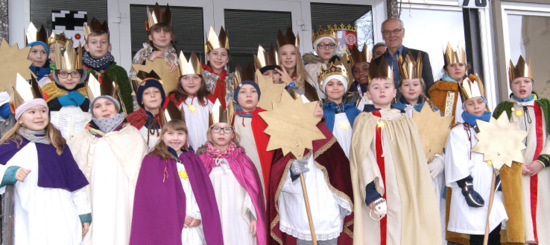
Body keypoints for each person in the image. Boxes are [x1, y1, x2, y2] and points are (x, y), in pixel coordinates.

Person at [349, 59, 441, 245]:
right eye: (376, 87)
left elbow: (415, 156)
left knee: (402, 228)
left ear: (394, 93)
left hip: (403, 189)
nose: (382, 91)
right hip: (378, 190)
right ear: (367, 93)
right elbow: (362, 156)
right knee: (376, 233)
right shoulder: (364, 121)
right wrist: (371, 191)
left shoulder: (405, 121)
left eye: (386, 86)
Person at [0, 98, 91, 245]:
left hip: (62, 211)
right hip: (29, 213)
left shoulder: (58, 144)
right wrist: (9, 173)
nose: (39, 115)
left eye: (43, 111)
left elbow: (75, 181)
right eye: (32, 112)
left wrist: (83, 213)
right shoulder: (12, 145)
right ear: (20, 119)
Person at [268, 98, 354, 245]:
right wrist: (293, 172)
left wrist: (342, 203)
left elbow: (341, 172)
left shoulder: (328, 138)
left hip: (327, 210)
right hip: (300, 209)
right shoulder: (289, 138)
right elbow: (278, 177)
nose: (319, 109)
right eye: (312, 106)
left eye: (320, 105)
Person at [69, 95, 148, 245]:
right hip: (95, 195)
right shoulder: (82, 138)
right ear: (92, 112)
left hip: (125, 195)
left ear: (117, 108)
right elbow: (74, 171)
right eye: (98, 106)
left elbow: (142, 171)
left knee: (125, 229)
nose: (104, 109)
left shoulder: (133, 135)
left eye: (108, 104)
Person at [130, 120, 223, 245]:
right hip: (168, 226)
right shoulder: (153, 161)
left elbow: (203, 194)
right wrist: (178, 215)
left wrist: (199, 217)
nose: (175, 138)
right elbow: (151, 199)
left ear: (186, 136)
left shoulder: (193, 160)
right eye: (170, 133)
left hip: (194, 226)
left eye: (180, 133)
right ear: (162, 135)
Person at [493, 56, 550, 244]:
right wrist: (517, 164)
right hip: (516, 172)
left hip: (542, 173)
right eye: (517, 82)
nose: (522, 85)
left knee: (544, 215)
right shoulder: (504, 108)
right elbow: (496, 140)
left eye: (526, 81)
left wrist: (542, 162)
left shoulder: (545, 107)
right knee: (521, 217)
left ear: (532, 84)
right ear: (511, 86)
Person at [392, 52, 446, 243]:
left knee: (432, 214)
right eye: (406, 84)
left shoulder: (434, 110)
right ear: (399, 88)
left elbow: (443, 140)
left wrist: (441, 160)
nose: (411, 88)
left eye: (415, 84)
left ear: (422, 86)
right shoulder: (393, 112)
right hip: (405, 172)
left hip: (431, 171)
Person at [445, 80, 507, 245]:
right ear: (464, 107)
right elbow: (457, 163)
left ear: (485, 103)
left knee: (494, 232)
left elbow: (504, 154)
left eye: (480, 102)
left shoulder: (496, 128)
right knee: (478, 235)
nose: (476, 106)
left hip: (493, 188)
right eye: (471, 103)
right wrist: (467, 189)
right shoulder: (458, 133)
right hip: (474, 188)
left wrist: (501, 177)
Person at [197, 107, 267, 245]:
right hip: (213, 217)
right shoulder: (201, 161)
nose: (221, 132)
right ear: (210, 133)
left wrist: (253, 217)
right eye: (216, 129)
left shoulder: (242, 160)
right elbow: (196, 192)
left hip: (240, 218)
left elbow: (253, 192)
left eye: (226, 129)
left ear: (233, 134)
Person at [41, 39, 91, 140]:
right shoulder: (48, 89)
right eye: (64, 73)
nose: (69, 78)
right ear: (57, 75)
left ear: (81, 75)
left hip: (84, 141)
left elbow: (99, 113)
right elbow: (39, 113)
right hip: (55, 140)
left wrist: (85, 102)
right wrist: (56, 103)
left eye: (74, 73)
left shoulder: (89, 90)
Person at [163, 51, 212, 151]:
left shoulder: (210, 100)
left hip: (209, 151)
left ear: (202, 80)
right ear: (179, 81)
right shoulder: (173, 101)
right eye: (186, 78)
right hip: (182, 151)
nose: (191, 82)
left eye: (195, 77)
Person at [83, 18, 134, 114]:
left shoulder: (118, 72)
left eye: (103, 42)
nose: (99, 45)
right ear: (87, 47)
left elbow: (127, 103)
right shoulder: (81, 73)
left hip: (115, 123)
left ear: (109, 47)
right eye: (94, 42)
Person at [372, 18, 433, 94]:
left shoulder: (419, 56)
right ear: (383, 35)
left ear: (403, 32)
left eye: (396, 31)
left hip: (415, 105)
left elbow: (430, 88)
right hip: (385, 105)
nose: (392, 35)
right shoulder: (376, 63)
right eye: (387, 32)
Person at [233, 79, 272, 195]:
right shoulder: (230, 119)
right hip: (240, 168)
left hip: (263, 165)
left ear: (258, 96)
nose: (248, 95)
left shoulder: (267, 117)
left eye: (253, 91)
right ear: (236, 97)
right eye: (243, 92)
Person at [319, 62, 361, 158]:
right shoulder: (321, 112)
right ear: (324, 88)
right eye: (330, 84)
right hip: (332, 156)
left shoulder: (354, 110)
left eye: (340, 84)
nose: (335, 88)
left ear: (345, 87)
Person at [131, 3, 178, 79]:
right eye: (157, 31)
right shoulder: (142, 54)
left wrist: (178, 72)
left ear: (171, 36)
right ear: (150, 37)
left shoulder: (179, 57)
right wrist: (148, 61)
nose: (162, 35)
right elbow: (133, 80)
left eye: (166, 31)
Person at [429, 43, 468, 125]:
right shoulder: (439, 89)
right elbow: (435, 119)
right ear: (445, 70)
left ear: (466, 68)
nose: (457, 68)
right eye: (452, 65)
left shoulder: (472, 87)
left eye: (460, 65)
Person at [277, 28, 319, 102]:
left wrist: (290, 84)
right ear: (279, 57)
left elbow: (310, 103)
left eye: (293, 53)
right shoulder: (274, 77)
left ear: (298, 56)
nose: (288, 57)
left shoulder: (307, 78)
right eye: (284, 54)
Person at [127, 73, 166, 149]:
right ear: (141, 100)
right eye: (147, 93)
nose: (152, 95)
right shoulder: (132, 120)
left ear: (162, 97)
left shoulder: (170, 118)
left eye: (156, 91)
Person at [202, 26, 234, 109]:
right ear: (208, 56)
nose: (219, 58)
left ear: (227, 59)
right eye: (215, 53)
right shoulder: (199, 77)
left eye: (223, 54)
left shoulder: (232, 80)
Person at [303, 25, 338, 98]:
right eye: (322, 45)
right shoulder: (309, 69)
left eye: (330, 45)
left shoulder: (341, 66)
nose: (327, 48)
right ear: (316, 48)